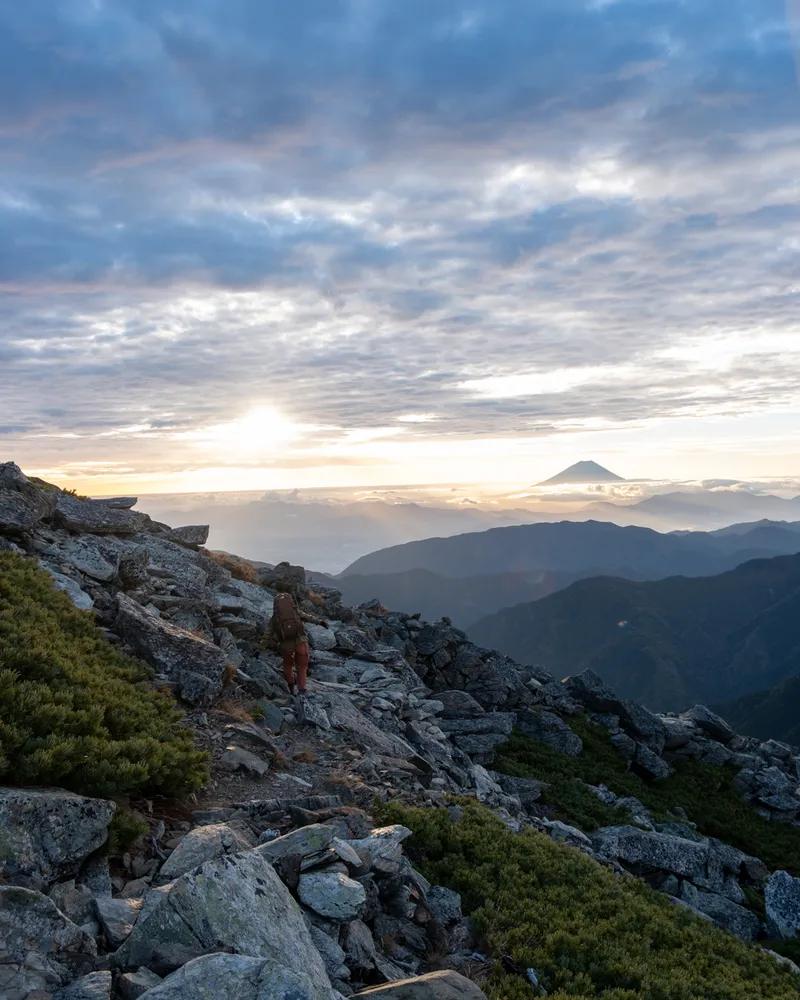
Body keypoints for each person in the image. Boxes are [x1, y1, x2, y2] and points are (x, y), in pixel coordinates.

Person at [265, 581, 312, 696]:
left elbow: (267, 634)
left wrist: (259, 650)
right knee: (302, 666)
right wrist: (320, 622)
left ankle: (291, 687)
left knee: (288, 665)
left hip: (286, 644)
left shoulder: (275, 618)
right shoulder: (295, 612)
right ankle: (302, 690)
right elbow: (306, 616)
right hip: (301, 641)